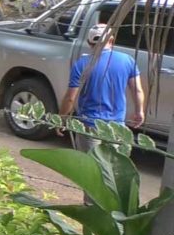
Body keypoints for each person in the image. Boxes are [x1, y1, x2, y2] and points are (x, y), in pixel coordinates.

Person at [61, 23, 145, 153]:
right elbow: (137, 90)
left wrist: (62, 118)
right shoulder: (128, 60)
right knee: (110, 166)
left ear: (89, 43)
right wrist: (139, 111)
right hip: (116, 126)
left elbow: (70, 98)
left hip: (89, 125)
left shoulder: (82, 64)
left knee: (89, 167)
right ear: (112, 40)